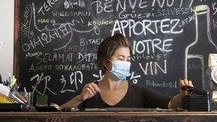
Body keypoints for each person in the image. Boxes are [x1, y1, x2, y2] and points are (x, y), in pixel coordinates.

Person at [59, 33, 193, 110]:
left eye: (128, 59)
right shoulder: (89, 91)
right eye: (121, 58)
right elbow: (58, 113)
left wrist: (183, 95)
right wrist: (79, 98)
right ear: (106, 61)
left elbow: (170, 104)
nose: (126, 63)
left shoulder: (139, 92)